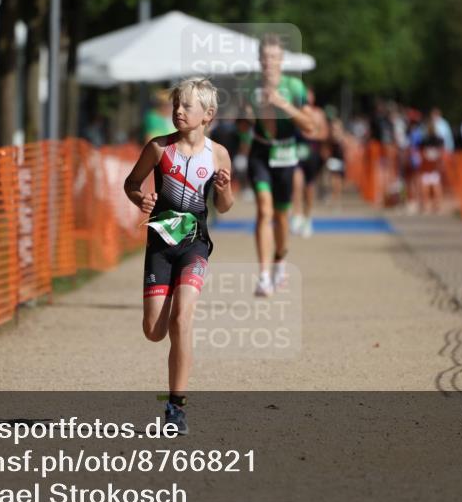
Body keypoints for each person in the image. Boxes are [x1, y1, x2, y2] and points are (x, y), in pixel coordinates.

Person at [123, 78, 234, 435]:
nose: (178, 111)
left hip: (195, 244)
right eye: (175, 105)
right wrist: (141, 199)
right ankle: (166, 307)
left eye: (187, 106)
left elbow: (225, 206)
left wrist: (225, 189)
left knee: (182, 319)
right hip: (161, 244)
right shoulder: (158, 149)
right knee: (154, 331)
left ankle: (176, 406)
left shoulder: (217, 154)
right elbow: (131, 184)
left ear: (208, 115)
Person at [240, 34, 314, 297]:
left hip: (286, 154)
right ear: (259, 59)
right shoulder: (249, 88)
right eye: (265, 57)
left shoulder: (294, 87)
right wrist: (246, 118)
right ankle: (263, 277)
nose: (269, 62)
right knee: (264, 210)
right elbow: (242, 124)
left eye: (274, 57)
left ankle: (280, 261)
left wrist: (283, 105)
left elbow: (310, 125)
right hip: (260, 152)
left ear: (282, 59)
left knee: (282, 217)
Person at [290, 88, 330, 238]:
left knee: (309, 187)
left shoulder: (318, 114)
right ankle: (297, 214)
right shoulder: (295, 113)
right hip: (297, 153)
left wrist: (313, 134)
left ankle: (307, 218)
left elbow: (325, 133)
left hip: (313, 153)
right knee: (296, 182)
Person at [417, 120, 446, 213]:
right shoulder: (438, 139)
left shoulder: (425, 139)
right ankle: (436, 205)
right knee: (434, 184)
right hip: (434, 164)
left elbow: (421, 150)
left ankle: (427, 205)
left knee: (427, 185)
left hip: (427, 164)